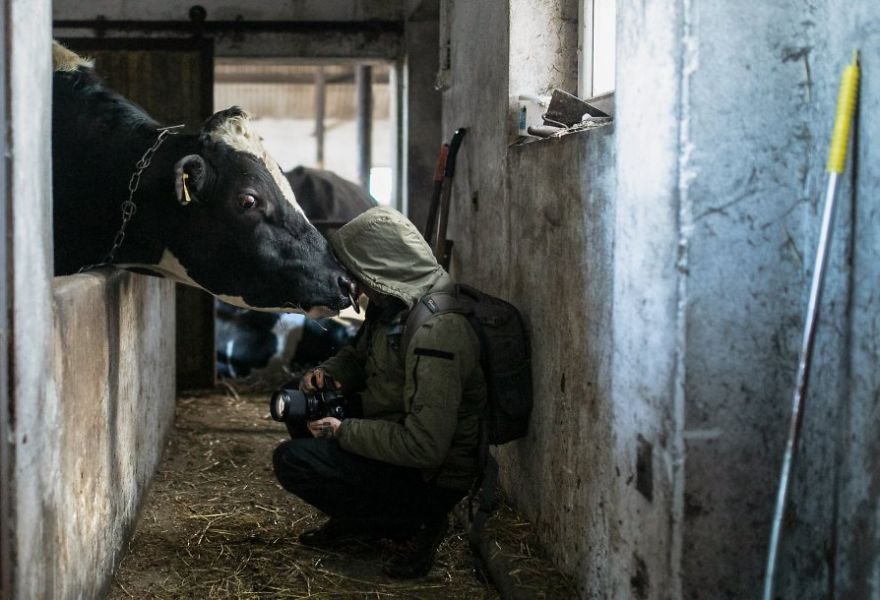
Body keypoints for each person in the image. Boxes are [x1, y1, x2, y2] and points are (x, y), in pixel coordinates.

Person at [272, 206, 487, 578]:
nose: (356, 285)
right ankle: (361, 518)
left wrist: (343, 432)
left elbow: (424, 447)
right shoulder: (395, 306)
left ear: (381, 268)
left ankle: (412, 524)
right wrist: (328, 374)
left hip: (428, 479)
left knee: (294, 461)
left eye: (358, 274)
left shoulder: (439, 332)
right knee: (299, 401)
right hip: (395, 430)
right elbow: (360, 356)